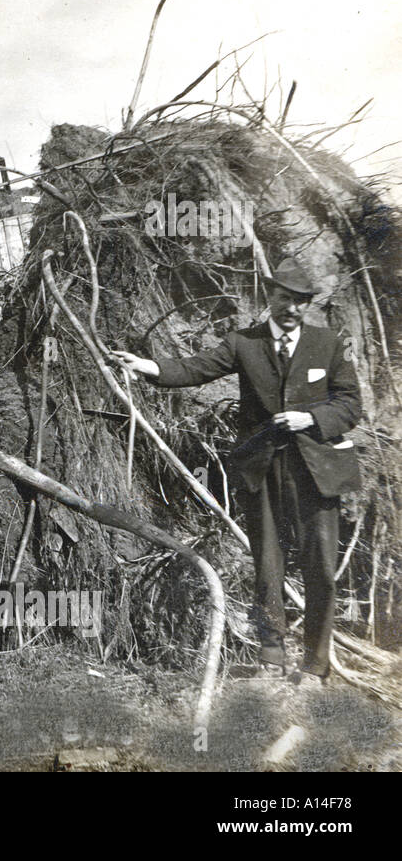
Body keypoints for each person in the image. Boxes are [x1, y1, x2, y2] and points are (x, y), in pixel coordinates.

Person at [109, 258, 361, 685]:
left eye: (300, 301)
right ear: (270, 297)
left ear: (307, 305)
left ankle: (316, 667)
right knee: (268, 565)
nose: (291, 308)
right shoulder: (244, 343)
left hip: (315, 470)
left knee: (319, 566)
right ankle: (271, 657)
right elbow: (196, 368)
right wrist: (149, 366)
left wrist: (311, 419)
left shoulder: (327, 344)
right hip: (261, 468)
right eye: (284, 298)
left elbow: (350, 404)